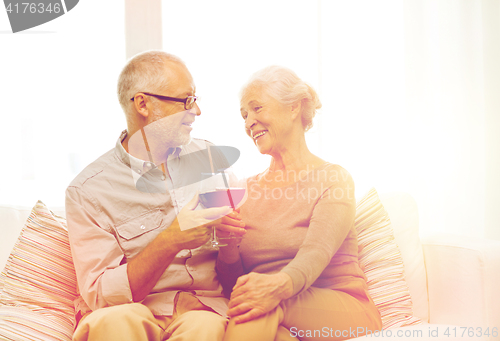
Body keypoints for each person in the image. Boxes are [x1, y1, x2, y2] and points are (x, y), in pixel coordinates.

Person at [66, 50, 246, 341]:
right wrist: (172, 237)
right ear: (143, 104)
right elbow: (100, 294)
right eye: (186, 100)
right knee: (116, 321)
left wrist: (230, 244)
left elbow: (234, 271)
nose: (196, 111)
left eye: (195, 100)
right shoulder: (88, 191)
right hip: (132, 309)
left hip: (202, 310)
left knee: (204, 326)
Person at [216, 66, 383, 341]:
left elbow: (315, 252)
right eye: (244, 115)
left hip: (343, 310)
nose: (249, 123)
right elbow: (237, 289)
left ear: (294, 107)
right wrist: (228, 249)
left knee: (263, 305)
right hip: (276, 315)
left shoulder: (333, 178)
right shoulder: (242, 191)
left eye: (257, 108)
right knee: (260, 311)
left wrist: (276, 287)